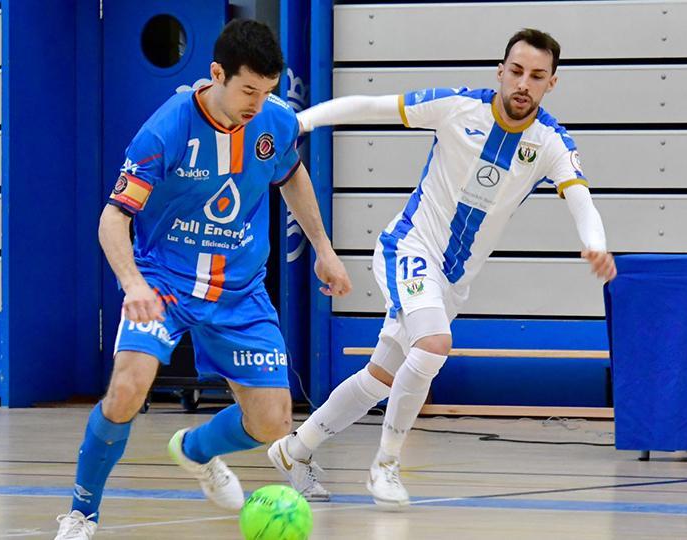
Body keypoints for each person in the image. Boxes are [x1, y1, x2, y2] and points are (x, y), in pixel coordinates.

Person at [268, 28, 616, 508]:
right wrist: (300, 123)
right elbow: (371, 107)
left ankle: (294, 449)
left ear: (551, 84)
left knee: (379, 378)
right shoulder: (457, 107)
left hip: (452, 281)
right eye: (515, 71)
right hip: (409, 248)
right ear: (500, 71)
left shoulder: (550, 142)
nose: (523, 83)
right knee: (433, 345)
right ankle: (385, 466)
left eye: (537, 76)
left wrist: (595, 243)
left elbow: (581, 198)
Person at [54, 19, 351, 539]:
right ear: (216, 74)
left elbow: (291, 176)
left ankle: (195, 451)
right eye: (248, 90)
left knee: (272, 423)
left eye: (268, 91)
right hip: (163, 281)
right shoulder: (165, 130)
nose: (257, 103)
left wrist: (324, 250)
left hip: (239, 290)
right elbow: (112, 218)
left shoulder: (275, 121)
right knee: (127, 388)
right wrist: (133, 284)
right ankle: (82, 514)